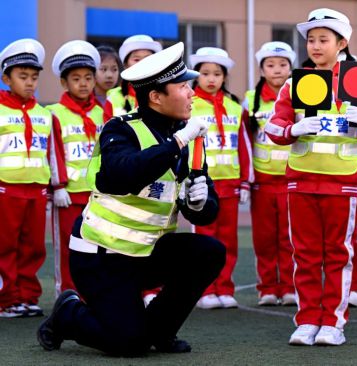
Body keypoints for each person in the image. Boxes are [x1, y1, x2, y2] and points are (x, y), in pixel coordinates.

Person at [37, 42, 226, 355]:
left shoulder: (186, 136)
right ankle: (67, 313)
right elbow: (122, 174)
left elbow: (206, 211)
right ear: (155, 97)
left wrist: (200, 203)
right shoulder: (120, 130)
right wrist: (178, 142)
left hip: (145, 252)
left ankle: (160, 330)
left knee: (209, 252)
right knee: (128, 343)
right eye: (183, 86)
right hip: (102, 257)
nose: (192, 92)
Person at [266, 8, 357, 346]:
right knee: (305, 254)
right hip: (301, 181)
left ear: (342, 42)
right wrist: (294, 127)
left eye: (324, 39)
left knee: (338, 254)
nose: (316, 45)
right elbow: (273, 128)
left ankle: (333, 323)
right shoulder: (295, 82)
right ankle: (307, 320)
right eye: (311, 39)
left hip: (344, 182)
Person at [0, 39, 64, 317]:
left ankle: (27, 296)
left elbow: (52, 153)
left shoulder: (44, 114)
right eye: (22, 77)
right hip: (6, 188)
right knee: (5, 245)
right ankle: (6, 299)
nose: (29, 83)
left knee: (34, 247)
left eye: (34, 78)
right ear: (6, 78)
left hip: (36, 190)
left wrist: (56, 186)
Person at [189, 47, 253, 309]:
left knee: (228, 239)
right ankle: (203, 291)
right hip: (201, 185)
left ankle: (225, 287)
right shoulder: (188, 105)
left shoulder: (235, 108)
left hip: (230, 183)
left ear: (225, 77)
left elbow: (245, 146)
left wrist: (246, 181)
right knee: (203, 239)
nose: (211, 79)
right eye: (205, 73)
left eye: (217, 73)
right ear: (197, 76)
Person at [47, 40, 105, 296]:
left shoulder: (103, 113)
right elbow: (54, 151)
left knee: (98, 246)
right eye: (76, 78)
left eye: (88, 77)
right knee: (69, 247)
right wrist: (58, 187)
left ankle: (93, 294)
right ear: (64, 83)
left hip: (99, 195)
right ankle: (68, 295)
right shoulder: (54, 113)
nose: (83, 83)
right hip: (68, 196)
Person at [244, 41, 296, 306]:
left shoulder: (300, 97)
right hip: (262, 182)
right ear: (262, 70)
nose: (277, 70)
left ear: (291, 68)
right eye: (271, 65)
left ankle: (289, 287)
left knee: (289, 237)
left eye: (283, 64)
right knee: (264, 239)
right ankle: (267, 288)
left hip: (291, 180)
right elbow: (245, 139)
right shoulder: (249, 100)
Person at [104, 35, 162, 118]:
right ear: (125, 65)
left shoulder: (165, 92)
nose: (142, 63)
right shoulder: (113, 97)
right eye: (136, 60)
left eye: (147, 58)